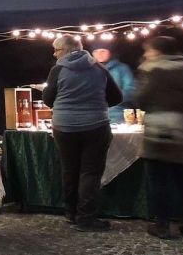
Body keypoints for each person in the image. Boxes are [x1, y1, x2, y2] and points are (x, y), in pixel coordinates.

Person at [43, 35, 122, 231]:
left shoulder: (57, 70)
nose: (54, 54)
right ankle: (86, 217)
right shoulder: (99, 68)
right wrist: (96, 105)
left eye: (57, 50)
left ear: (68, 50)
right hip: (96, 126)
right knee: (90, 172)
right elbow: (116, 97)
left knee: (69, 169)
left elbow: (47, 99)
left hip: (64, 127)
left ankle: (70, 212)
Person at [134, 36, 183, 239]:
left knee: (158, 182)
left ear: (156, 51)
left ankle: (162, 225)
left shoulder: (152, 69)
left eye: (148, 50)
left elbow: (141, 99)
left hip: (159, 134)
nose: (146, 54)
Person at [92, 48, 136, 123]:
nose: (99, 54)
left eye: (103, 51)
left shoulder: (122, 68)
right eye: (96, 51)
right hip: (93, 113)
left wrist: (112, 99)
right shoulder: (87, 69)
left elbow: (130, 89)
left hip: (118, 112)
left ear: (109, 52)